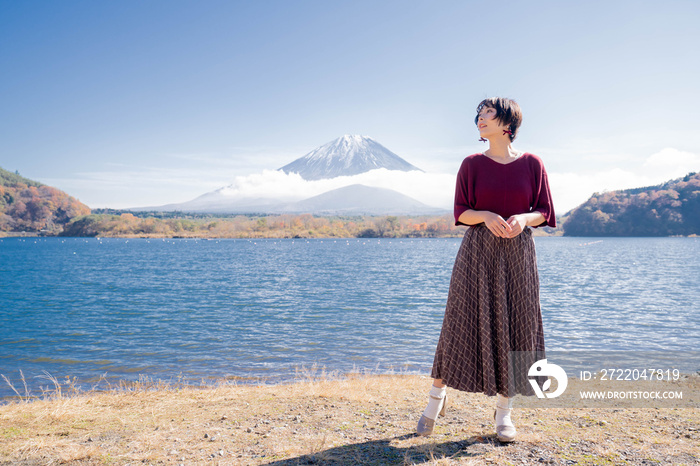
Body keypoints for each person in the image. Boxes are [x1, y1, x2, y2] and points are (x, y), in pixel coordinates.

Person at [417, 97, 556, 442]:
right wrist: (486, 216)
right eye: (478, 114)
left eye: (488, 113)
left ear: (507, 121)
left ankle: (504, 413)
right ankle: (435, 399)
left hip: (518, 252)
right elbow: (461, 211)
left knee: (514, 323)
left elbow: (545, 211)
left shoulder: (532, 164)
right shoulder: (471, 164)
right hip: (477, 252)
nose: (480, 118)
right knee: (459, 322)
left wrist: (524, 218)